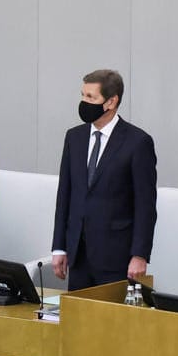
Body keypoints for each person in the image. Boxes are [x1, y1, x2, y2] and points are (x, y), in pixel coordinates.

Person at [51, 70, 157, 289]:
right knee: (78, 320)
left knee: (111, 322)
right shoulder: (74, 137)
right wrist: (59, 247)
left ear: (111, 101)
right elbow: (65, 195)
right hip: (78, 255)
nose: (84, 102)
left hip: (116, 257)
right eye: (83, 95)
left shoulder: (138, 142)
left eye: (91, 97)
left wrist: (140, 255)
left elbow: (145, 206)